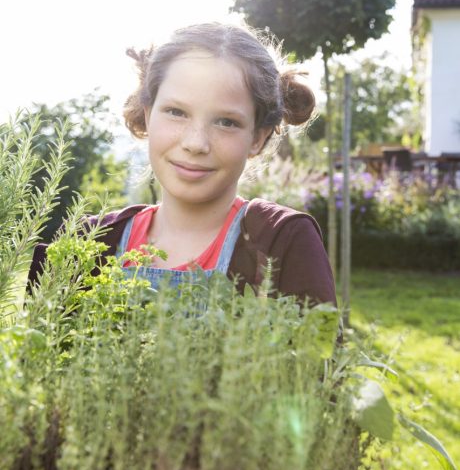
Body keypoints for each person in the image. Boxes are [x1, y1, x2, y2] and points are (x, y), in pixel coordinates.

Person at [28, 21, 336, 307]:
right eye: (176, 112)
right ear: (148, 115)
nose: (195, 143)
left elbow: (314, 365)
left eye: (226, 122)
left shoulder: (283, 241)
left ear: (257, 137)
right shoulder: (89, 242)